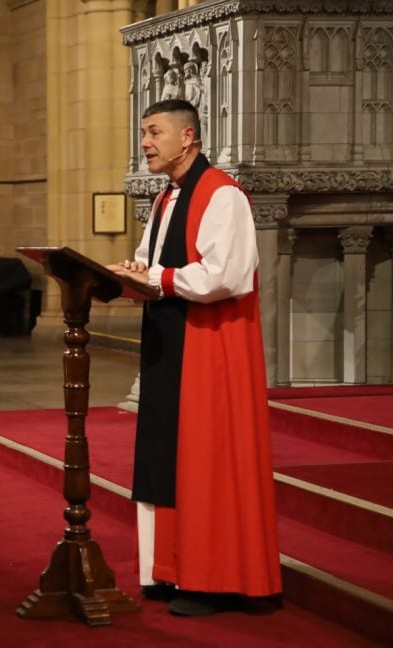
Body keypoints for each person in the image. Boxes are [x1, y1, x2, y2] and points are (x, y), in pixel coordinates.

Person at [109, 99, 281, 616]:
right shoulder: (165, 199)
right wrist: (132, 271)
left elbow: (226, 274)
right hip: (171, 335)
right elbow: (152, 260)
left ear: (188, 137)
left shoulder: (222, 195)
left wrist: (156, 278)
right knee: (167, 455)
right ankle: (169, 570)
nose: (145, 143)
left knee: (205, 457)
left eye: (153, 132)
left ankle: (214, 579)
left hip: (210, 342)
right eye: (143, 132)